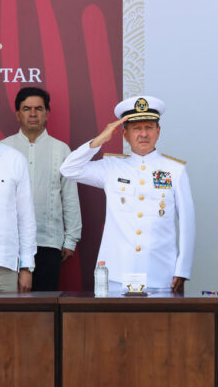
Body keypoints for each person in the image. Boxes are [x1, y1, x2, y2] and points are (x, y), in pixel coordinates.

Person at [60, 96, 195, 293]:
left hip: (160, 272)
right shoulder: (111, 167)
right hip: (116, 272)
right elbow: (68, 169)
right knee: (115, 324)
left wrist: (182, 269)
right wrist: (99, 140)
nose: (143, 134)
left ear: (158, 131)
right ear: (125, 134)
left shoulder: (174, 170)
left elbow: (187, 223)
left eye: (149, 127)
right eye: (136, 128)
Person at [2, 87, 81, 291]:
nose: (33, 113)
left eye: (39, 108)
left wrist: (71, 239)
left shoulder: (61, 150)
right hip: (8, 245)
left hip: (48, 243)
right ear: (18, 114)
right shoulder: (2, 150)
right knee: (7, 311)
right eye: (26, 108)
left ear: (47, 113)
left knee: (43, 312)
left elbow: (70, 197)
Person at [0, 90, 36, 292]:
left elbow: (26, 217)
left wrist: (26, 267)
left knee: (4, 324)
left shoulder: (14, 160)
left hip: (3, 267)